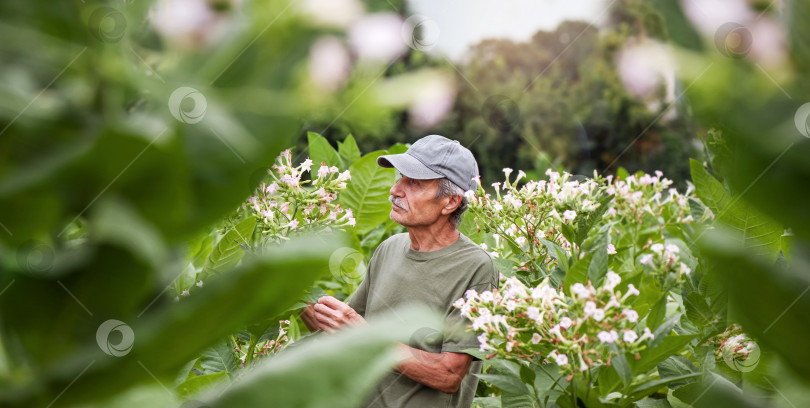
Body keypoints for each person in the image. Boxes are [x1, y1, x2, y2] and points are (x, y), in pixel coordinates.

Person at [301, 135, 498, 408]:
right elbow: (341, 333)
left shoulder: (476, 267)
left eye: (414, 182)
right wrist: (291, 295)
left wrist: (365, 335)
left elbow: (449, 374)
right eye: (401, 177)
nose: (395, 190)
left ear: (450, 202)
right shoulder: (389, 248)